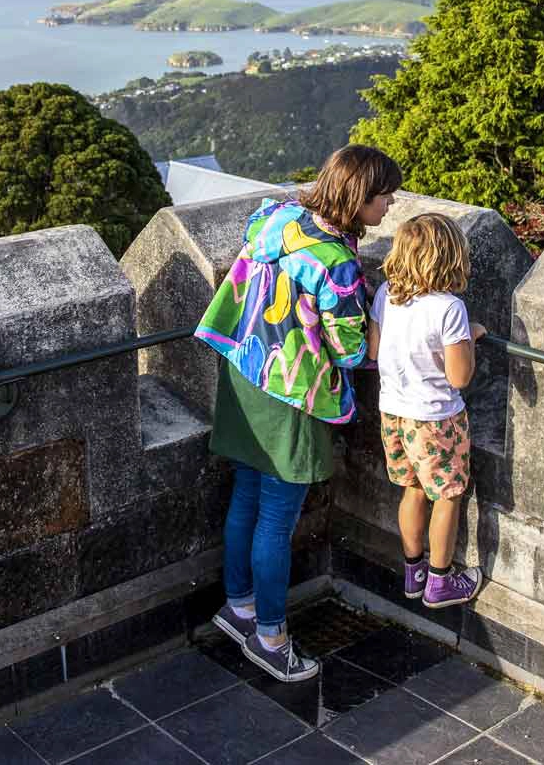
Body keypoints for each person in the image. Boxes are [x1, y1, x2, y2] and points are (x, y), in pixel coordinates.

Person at [195, 144, 402, 682]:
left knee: (246, 493)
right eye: (384, 198)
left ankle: (238, 607)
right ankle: (269, 637)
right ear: (359, 198)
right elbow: (354, 351)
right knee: (277, 518)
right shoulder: (335, 263)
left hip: (244, 371)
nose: (389, 209)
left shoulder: (278, 216)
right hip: (292, 391)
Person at [367, 213, 486, 608]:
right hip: (436, 418)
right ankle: (440, 582)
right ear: (452, 256)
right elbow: (460, 375)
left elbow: (373, 350)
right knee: (449, 495)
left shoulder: (387, 293)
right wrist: (470, 335)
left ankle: (413, 572)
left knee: (412, 489)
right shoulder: (450, 308)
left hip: (393, 413)